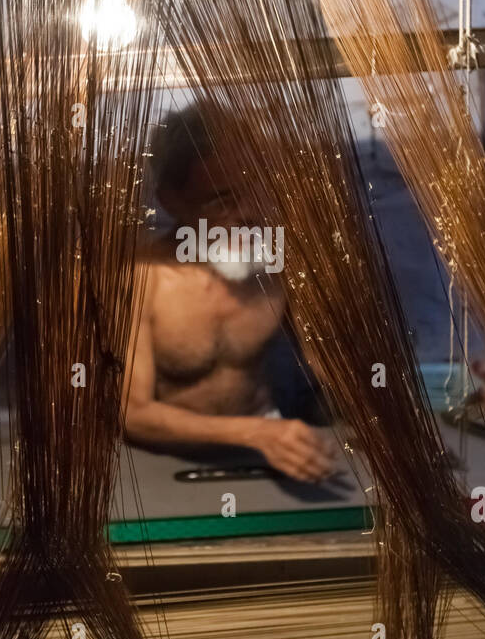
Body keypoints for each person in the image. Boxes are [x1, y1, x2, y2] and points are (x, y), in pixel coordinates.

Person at [122, 105, 336, 483]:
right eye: (222, 200)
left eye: (256, 190)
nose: (249, 213)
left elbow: (328, 364)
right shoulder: (141, 278)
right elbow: (132, 412)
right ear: (172, 200)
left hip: (262, 459)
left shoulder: (280, 264)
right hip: (159, 466)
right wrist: (258, 432)